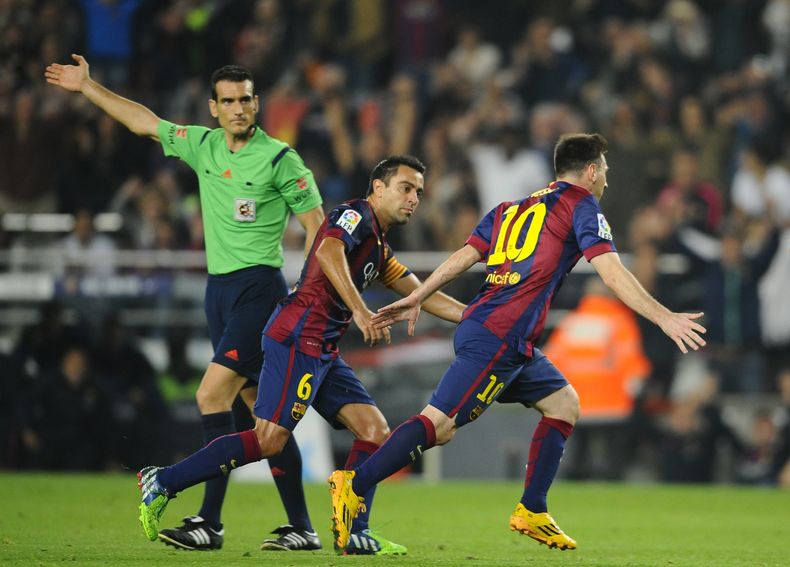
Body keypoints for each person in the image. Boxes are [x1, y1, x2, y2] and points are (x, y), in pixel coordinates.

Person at [328, 133, 707, 551]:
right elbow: (612, 272)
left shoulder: (512, 208)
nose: (606, 181)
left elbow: (464, 256)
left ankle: (532, 509)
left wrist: (420, 294)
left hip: (499, 332)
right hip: (500, 336)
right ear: (591, 171)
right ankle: (354, 484)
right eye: (605, 172)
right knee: (439, 424)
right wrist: (664, 317)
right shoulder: (581, 204)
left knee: (564, 403)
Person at [45, 56, 333, 552]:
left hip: (260, 290)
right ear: (214, 108)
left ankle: (208, 521)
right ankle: (302, 528)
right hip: (217, 292)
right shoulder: (202, 144)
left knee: (210, 396)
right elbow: (144, 122)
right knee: (263, 420)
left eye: (246, 99)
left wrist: (305, 296)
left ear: (257, 103)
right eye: (229, 101)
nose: (239, 108)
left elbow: (318, 228)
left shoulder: (280, 159)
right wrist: (89, 87)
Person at [135, 155, 466, 554]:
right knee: (269, 440)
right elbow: (328, 251)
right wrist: (361, 311)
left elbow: (421, 293)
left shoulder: (378, 246)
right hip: (298, 337)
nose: (414, 198)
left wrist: (476, 319)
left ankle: (354, 532)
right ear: (378, 188)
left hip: (322, 347)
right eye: (406, 188)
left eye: (419, 192)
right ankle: (163, 481)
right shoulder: (354, 215)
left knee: (374, 430)